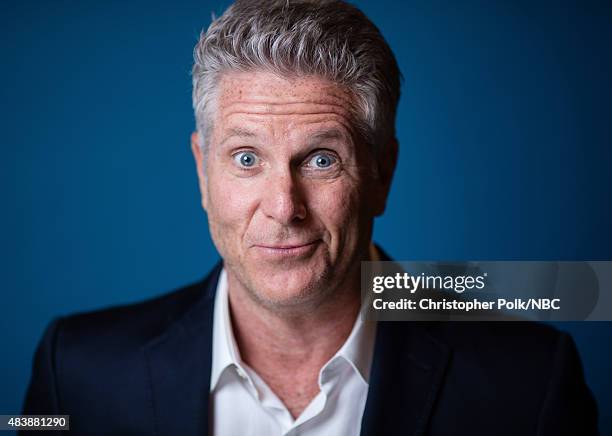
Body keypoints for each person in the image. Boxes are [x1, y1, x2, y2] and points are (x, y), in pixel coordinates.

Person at [22, 1, 598, 435]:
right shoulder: (76, 372)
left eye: (321, 160)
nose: (283, 207)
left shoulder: (530, 383)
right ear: (203, 172)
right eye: (246, 159)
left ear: (381, 174)